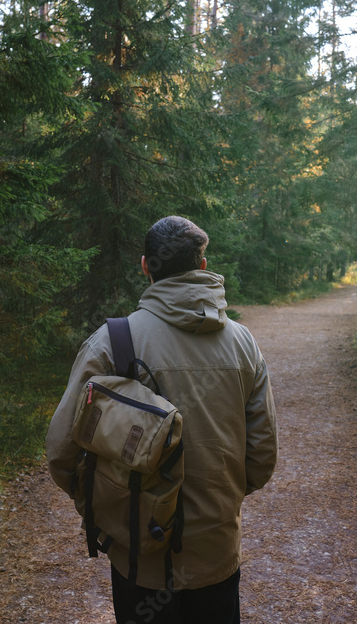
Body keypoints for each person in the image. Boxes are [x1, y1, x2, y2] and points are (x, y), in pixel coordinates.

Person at [45, 215, 278, 624]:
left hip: (139, 559)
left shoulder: (113, 342)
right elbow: (261, 458)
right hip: (216, 555)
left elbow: (62, 451)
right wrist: (219, 502)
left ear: (145, 266)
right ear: (202, 267)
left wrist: (107, 511)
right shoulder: (243, 344)